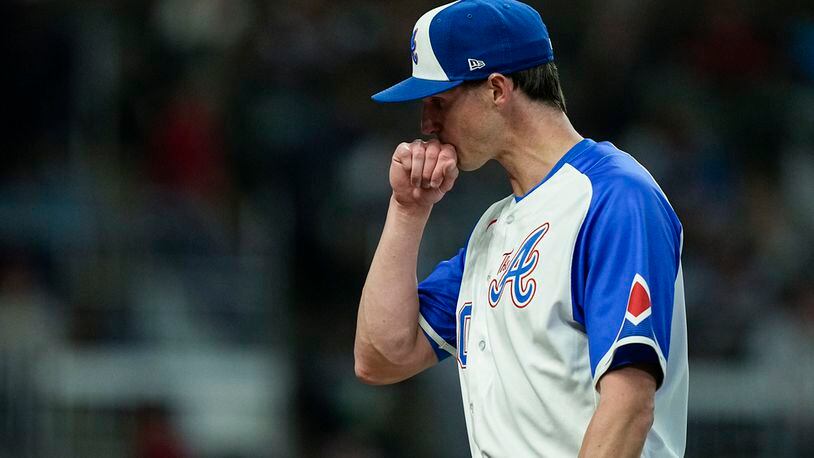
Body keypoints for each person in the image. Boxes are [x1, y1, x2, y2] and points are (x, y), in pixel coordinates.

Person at [353, 1, 688, 457]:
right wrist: (407, 209)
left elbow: (629, 405)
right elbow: (380, 357)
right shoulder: (494, 228)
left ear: (496, 89)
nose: (426, 125)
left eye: (439, 101)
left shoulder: (614, 196)